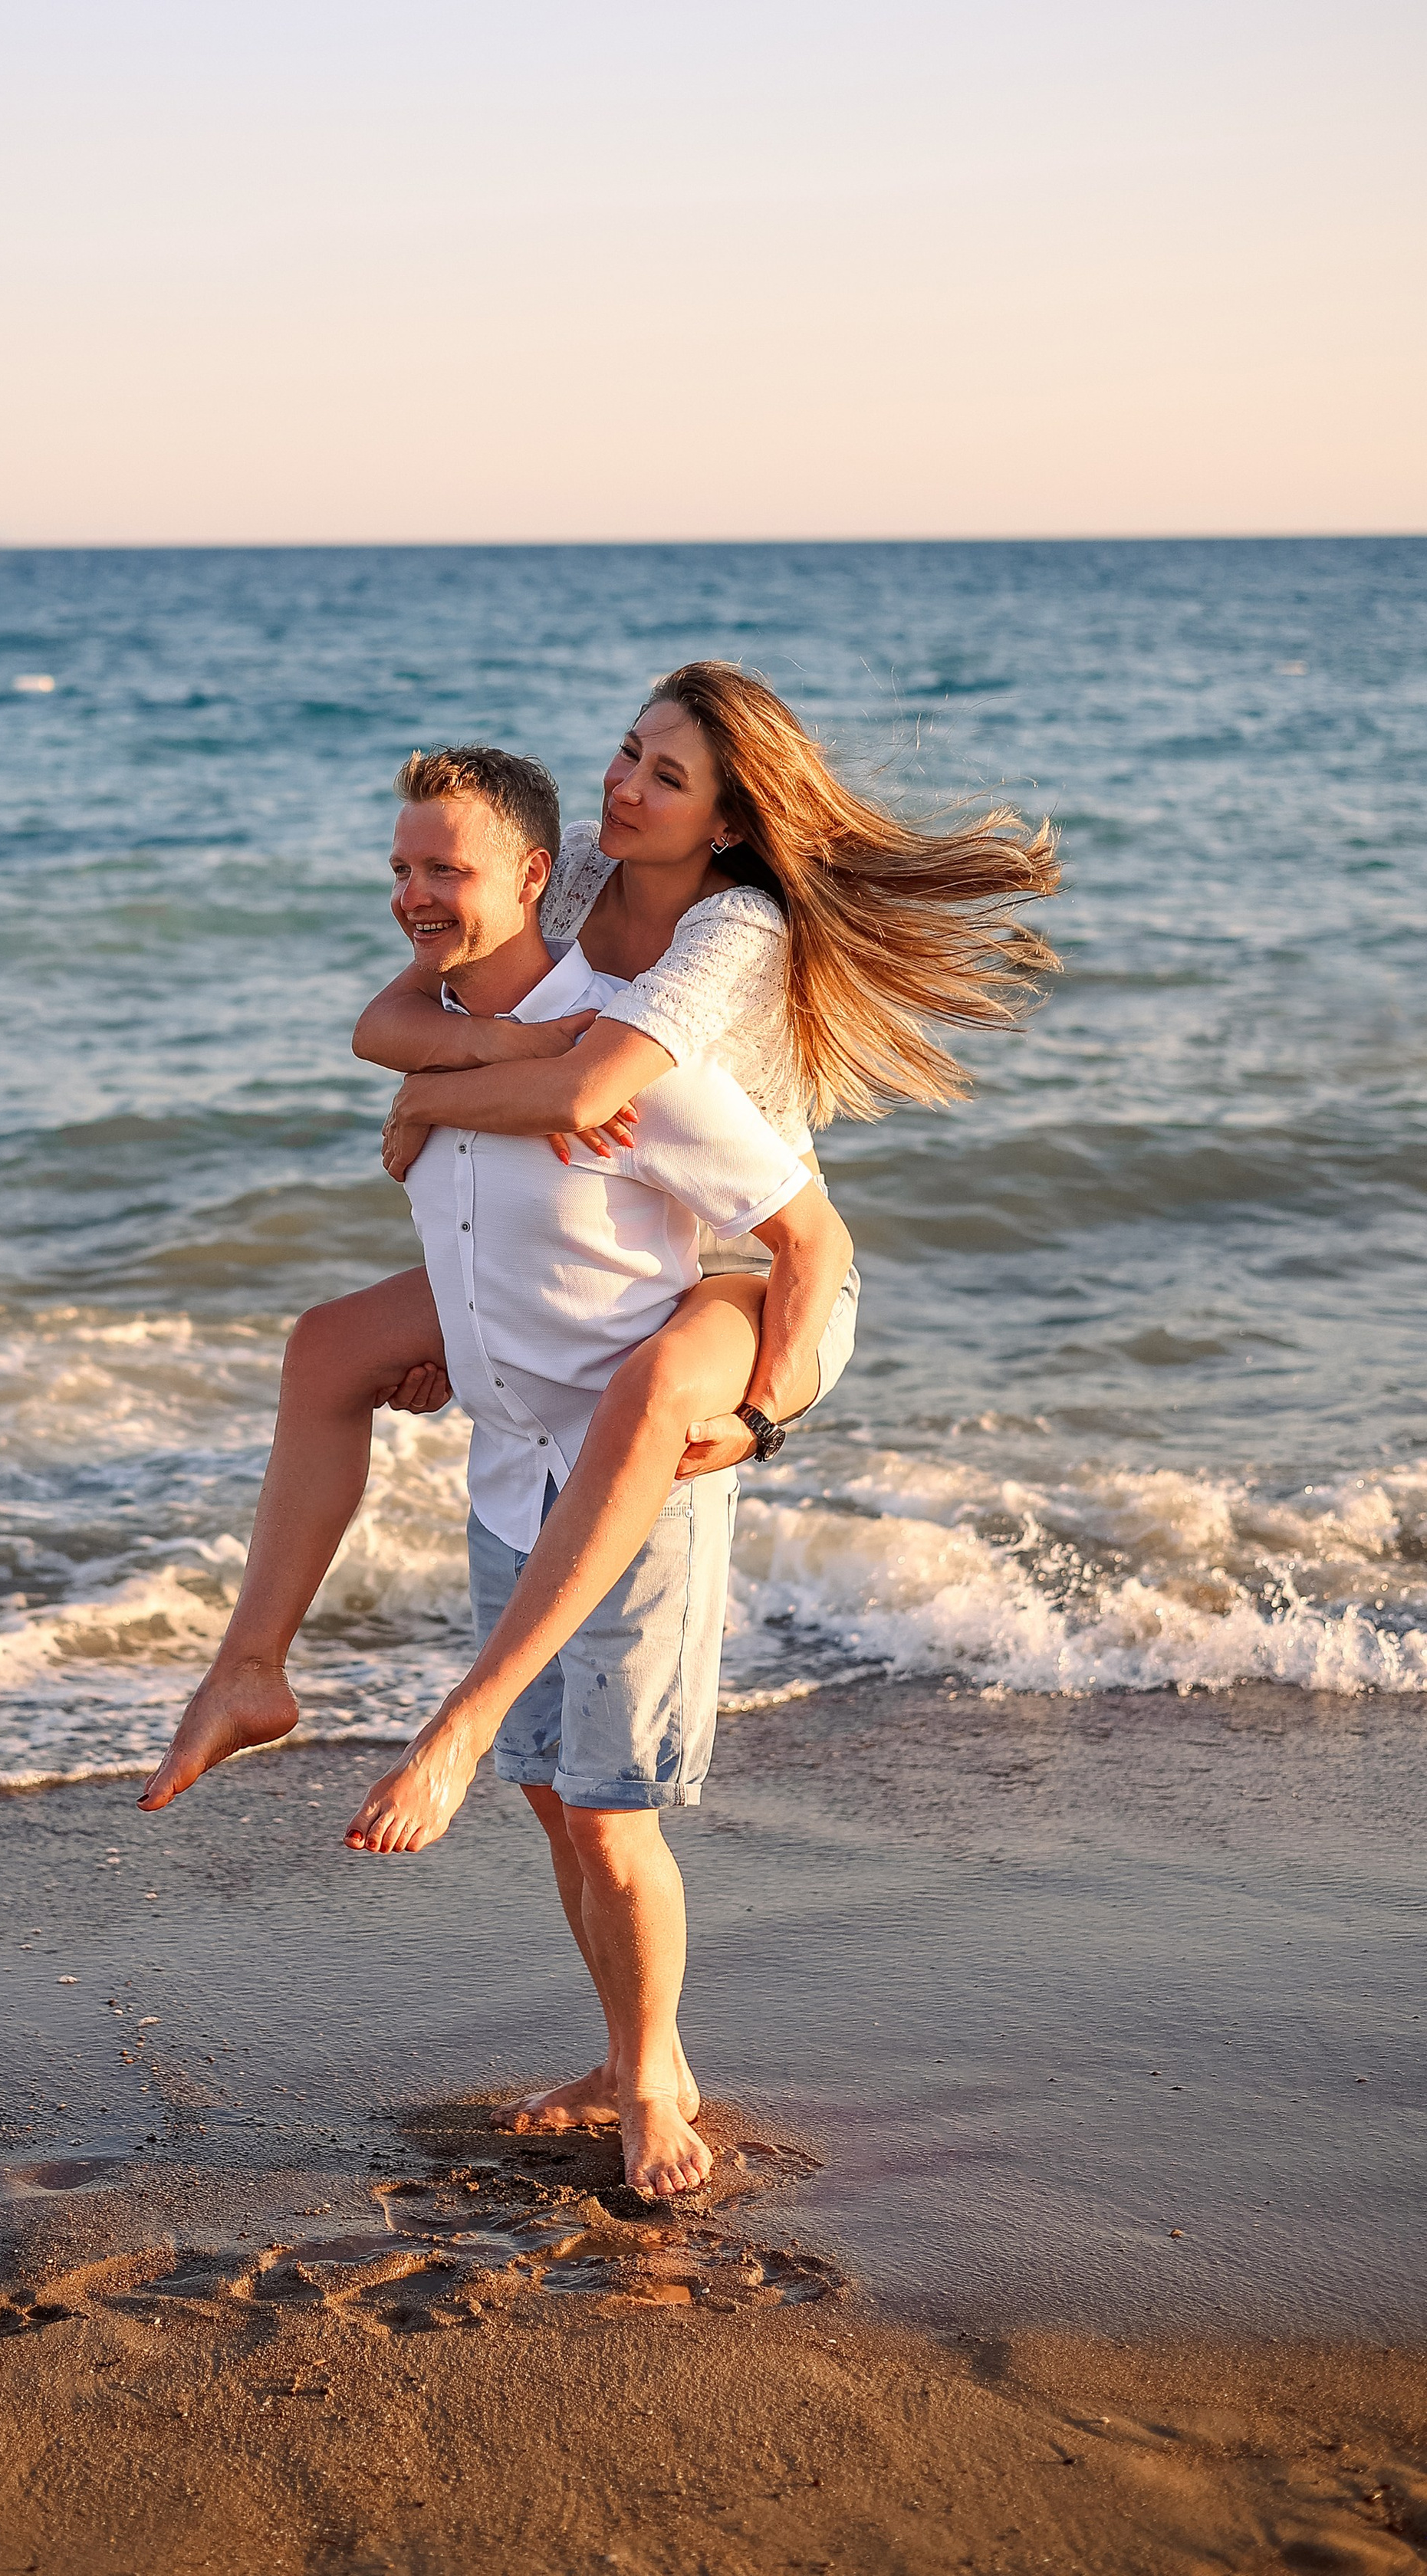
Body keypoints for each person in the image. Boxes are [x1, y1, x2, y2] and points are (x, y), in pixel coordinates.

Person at [140, 662, 1056, 1853]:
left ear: (727, 820)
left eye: (665, 777)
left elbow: (590, 1093)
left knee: (657, 1386)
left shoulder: (739, 925)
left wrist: (768, 1414)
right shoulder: (570, 864)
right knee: (330, 1348)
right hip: (614, 1238)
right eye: (629, 750)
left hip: (750, 1266)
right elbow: (394, 1020)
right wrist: (463, 1072)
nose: (623, 788)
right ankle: (248, 1671)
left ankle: (465, 1727)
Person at [349, 744, 840, 2196]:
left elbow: (802, 1231)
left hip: (645, 1469)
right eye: (400, 869)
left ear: (530, 879)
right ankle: (642, 2054)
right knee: (561, 1802)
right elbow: (452, 1205)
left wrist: (760, 1415)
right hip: (513, 1467)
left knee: (614, 1809)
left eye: (445, 868)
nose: (415, 894)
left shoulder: (636, 1049)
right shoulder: (454, 1034)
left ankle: (651, 2091)